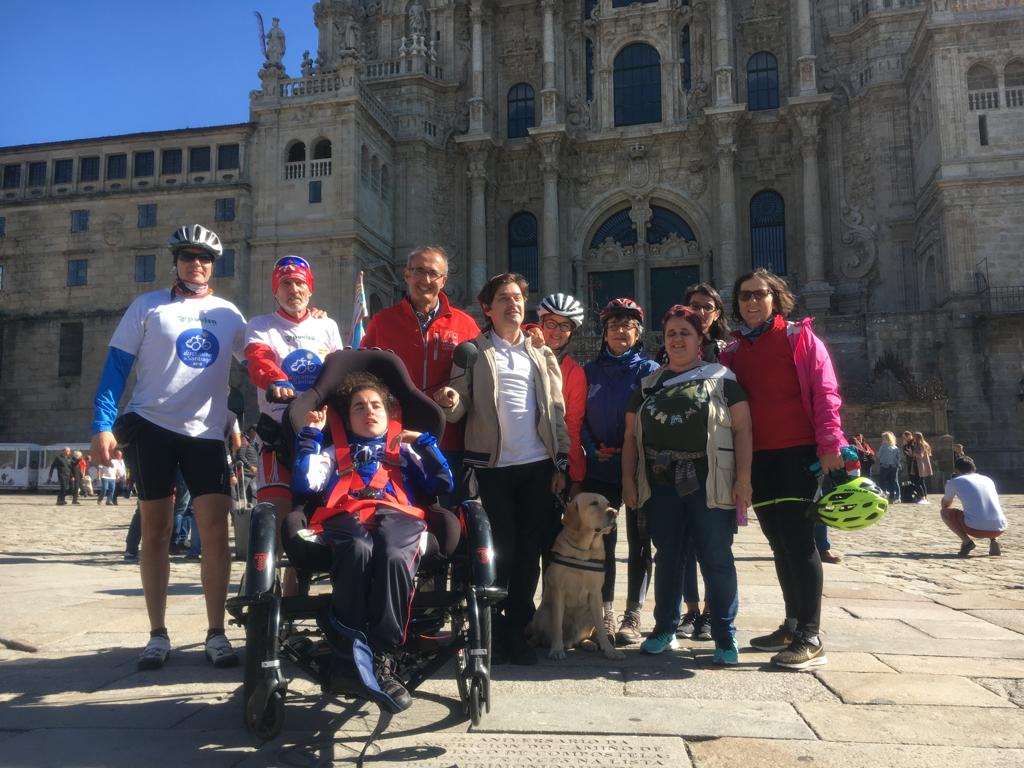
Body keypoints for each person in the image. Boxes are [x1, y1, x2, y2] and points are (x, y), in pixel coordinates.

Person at [90, 223, 246, 671]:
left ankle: (215, 632)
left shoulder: (228, 313)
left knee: (216, 533)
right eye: (187, 257)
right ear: (175, 262)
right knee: (155, 532)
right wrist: (102, 425)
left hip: (205, 432)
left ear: (214, 265)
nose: (195, 264)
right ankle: (157, 633)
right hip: (154, 427)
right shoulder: (147, 307)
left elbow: (257, 365)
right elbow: (115, 370)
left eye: (204, 258)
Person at [294, 372, 453, 712]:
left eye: (376, 405)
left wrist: (426, 444)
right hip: (345, 515)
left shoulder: (407, 449)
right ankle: (347, 651)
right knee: (358, 548)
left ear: (390, 413)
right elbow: (305, 485)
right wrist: (309, 436)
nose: (369, 411)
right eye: (359, 407)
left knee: (395, 553)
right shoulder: (332, 451)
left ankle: (383, 657)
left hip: (398, 514)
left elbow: (442, 483)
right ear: (346, 418)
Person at [434, 272, 569, 666]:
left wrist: (560, 460)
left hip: (537, 466)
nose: (513, 304)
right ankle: (490, 628)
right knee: (501, 551)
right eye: (504, 299)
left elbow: (556, 410)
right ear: (488, 309)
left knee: (529, 553)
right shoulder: (473, 351)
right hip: (492, 468)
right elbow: (459, 409)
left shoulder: (541, 353)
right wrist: (448, 399)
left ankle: (518, 632)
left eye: (518, 298)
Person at [720, 269, 845, 670]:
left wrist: (830, 443)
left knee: (799, 541)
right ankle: (792, 624)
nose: (752, 302)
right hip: (758, 458)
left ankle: (810, 635)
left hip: (798, 453)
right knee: (777, 541)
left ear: (776, 298)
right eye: (744, 297)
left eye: (759, 295)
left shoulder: (799, 337)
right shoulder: (734, 351)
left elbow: (825, 391)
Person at [622, 305, 752, 665]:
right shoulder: (648, 385)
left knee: (716, 556)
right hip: (661, 484)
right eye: (671, 334)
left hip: (709, 481)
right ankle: (665, 628)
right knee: (668, 558)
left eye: (685, 333)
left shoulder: (722, 379)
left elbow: (742, 429)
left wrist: (743, 480)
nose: (677, 339)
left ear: (700, 339)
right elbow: (630, 438)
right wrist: (628, 482)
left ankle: (725, 635)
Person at [361, 246, 479, 495]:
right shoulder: (382, 322)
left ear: (444, 281)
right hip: (394, 440)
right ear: (406, 275)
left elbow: (481, 378)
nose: (425, 280)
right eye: (419, 271)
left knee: (447, 517)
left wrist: (455, 397)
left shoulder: (465, 325)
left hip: (448, 441)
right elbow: (362, 375)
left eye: (433, 274)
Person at [244, 255, 342, 531]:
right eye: (285, 283)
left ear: (310, 289)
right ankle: (267, 570)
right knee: (275, 518)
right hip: (277, 433)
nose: (293, 290)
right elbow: (258, 359)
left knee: (309, 523)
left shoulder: (327, 326)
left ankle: (295, 575)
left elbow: (337, 371)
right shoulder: (260, 325)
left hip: (319, 435)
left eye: (299, 283)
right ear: (275, 291)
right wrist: (275, 380)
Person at [582, 298, 660, 646]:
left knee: (641, 543)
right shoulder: (589, 372)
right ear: (604, 333)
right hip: (600, 470)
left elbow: (655, 418)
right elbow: (577, 415)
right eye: (613, 325)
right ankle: (606, 612)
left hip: (639, 470)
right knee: (603, 543)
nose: (620, 330)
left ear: (637, 332)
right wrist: (590, 444)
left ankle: (633, 614)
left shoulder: (651, 371)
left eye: (627, 325)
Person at [677, 282, 731, 638]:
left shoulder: (729, 354)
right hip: (681, 460)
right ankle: (690, 611)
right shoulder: (674, 349)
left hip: (717, 458)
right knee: (682, 542)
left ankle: (713, 614)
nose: (700, 312)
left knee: (715, 543)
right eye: (693, 306)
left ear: (717, 313)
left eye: (707, 307)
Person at [535, 293, 587, 498]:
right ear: (540, 323)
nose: (557, 331)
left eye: (565, 326)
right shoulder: (520, 356)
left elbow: (572, 425)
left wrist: (575, 476)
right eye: (551, 323)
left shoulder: (575, 373)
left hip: (551, 461)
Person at [940, 457, 1008, 557]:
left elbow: (945, 505)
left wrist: (947, 489)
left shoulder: (955, 482)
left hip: (975, 529)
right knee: (986, 508)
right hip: (1000, 528)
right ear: (974, 468)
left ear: (957, 470)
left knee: (944, 512)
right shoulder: (988, 479)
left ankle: (967, 541)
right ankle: (994, 541)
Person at [877, 431, 902, 503]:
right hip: (894, 467)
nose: (882, 439)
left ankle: (882, 495)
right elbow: (898, 458)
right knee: (894, 482)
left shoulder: (883, 447)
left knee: (882, 481)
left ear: (886, 439)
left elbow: (879, 456)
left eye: (883, 438)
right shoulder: (895, 447)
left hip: (884, 466)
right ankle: (896, 496)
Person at [911, 432, 933, 504]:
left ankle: (922, 497)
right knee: (922, 482)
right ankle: (925, 497)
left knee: (917, 482)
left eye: (914, 436)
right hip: (922, 465)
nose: (913, 438)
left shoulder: (919, 444)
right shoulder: (925, 444)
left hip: (919, 465)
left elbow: (920, 455)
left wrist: (912, 453)